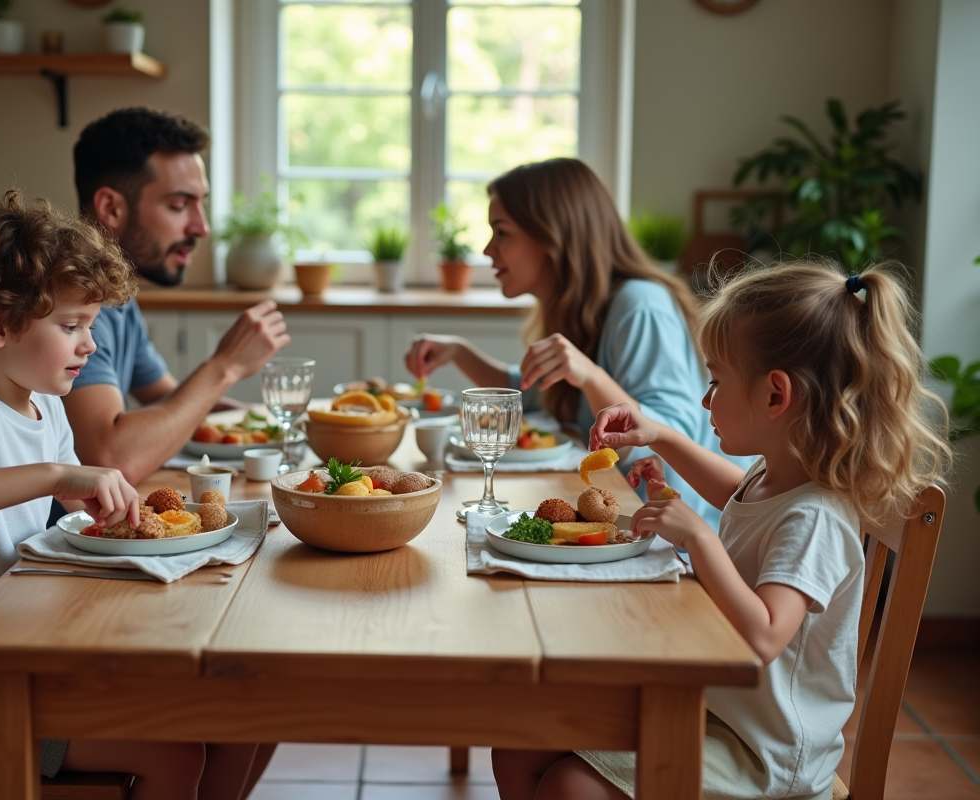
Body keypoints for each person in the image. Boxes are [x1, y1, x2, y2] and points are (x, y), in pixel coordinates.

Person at [491, 261, 952, 800]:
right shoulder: (776, 475)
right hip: (717, 710)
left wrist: (700, 539)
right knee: (518, 746)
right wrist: (658, 437)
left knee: (570, 787)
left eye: (715, 381)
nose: (706, 400)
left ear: (776, 395)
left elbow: (763, 636)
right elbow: (733, 493)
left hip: (764, 754)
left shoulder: (818, 518)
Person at [0, 191, 265, 800]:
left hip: (28, 652)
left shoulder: (42, 403)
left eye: (90, 325)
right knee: (175, 756)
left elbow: (80, 511)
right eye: (71, 327)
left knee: (238, 714)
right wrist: (55, 476)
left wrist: (144, 525)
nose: (89, 346)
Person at [0, 107, 290, 486]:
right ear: (111, 207)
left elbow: (171, 402)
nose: (202, 226)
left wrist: (269, 420)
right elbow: (113, 458)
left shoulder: (101, 300)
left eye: (201, 203)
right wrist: (224, 367)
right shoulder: (53, 301)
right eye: (179, 205)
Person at [404, 158, 751, 529]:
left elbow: (668, 436)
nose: (489, 249)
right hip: (630, 518)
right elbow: (532, 391)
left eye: (502, 232)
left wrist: (591, 376)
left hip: (688, 538)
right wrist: (459, 351)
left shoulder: (641, 306)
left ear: (552, 236)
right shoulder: (580, 310)